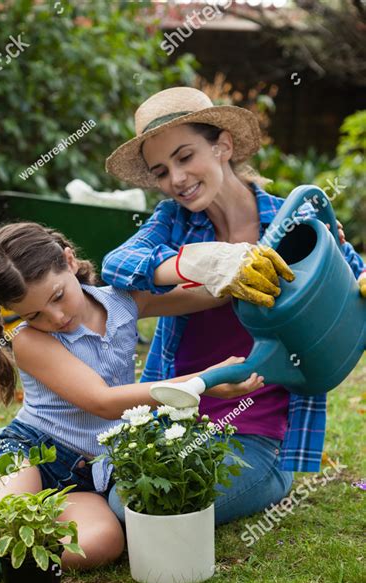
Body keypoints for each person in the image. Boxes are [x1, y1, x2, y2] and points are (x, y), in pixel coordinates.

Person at [0, 221, 269, 569]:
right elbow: (102, 402)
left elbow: (206, 295)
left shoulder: (122, 300)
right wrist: (203, 382)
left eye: (57, 296)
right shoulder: (30, 341)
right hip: (32, 454)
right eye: (34, 314)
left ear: (69, 261)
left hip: (90, 476)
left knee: (102, 543)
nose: (56, 317)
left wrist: (242, 271)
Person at [102, 86, 366, 525]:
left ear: (222, 145)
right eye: (162, 171)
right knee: (125, 501)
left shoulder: (297, 223)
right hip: (178, 420)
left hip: (256, 433)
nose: (177, 179)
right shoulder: (173, 221)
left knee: (146, 512)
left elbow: (355, 277)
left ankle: (272, 479)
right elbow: (118, 264)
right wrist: (200, 262)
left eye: (186, 157)